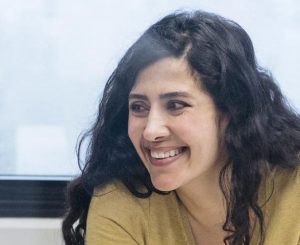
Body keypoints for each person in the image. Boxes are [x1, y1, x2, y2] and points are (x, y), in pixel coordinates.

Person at [62, 10, 300, 245]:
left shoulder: (294, 188)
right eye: (138, 107)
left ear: (231, 110)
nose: (151, 130)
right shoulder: (121, 199)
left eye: (175, 105)